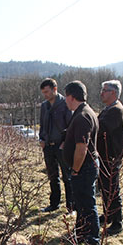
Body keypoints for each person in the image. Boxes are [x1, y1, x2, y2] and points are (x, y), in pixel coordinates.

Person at [63, 81, 99, 245]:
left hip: (84, 168)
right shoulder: (84, 112)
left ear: (71, 97)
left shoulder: (82, 116)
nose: (65, 101)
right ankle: (81, 234)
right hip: (84, 167)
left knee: (87, 204)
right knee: (82, 203)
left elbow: (81, 148)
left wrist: (75, 170)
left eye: (66, 97)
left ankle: (92, 242)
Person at [38, 78, 74, 213]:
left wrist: (66, 143)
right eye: (43, 93)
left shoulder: (66, 104)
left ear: (54, 89)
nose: (45, 95)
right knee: (53, 176)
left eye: (47, 92)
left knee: (67, 177)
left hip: (62, 146)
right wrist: (41, 139)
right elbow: (42, 125)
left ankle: (71, 206)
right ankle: (54, 204)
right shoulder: (44, 106)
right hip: (48, 146)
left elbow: (71, 126)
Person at [97, 80, 123, 235]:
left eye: (105, 90)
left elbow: (101, 127)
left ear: (113, 93)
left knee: (112, 189)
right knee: (105, 188)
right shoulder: (108, 109)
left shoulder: (116, 110)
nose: (101, 93)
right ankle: (108, 214)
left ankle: (117, 222)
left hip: (111, 157)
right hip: (104, 156)